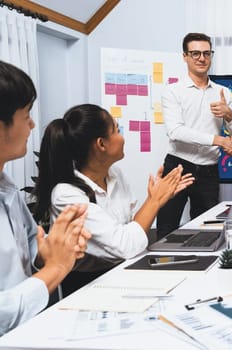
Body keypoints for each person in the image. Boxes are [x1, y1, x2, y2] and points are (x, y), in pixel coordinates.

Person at [33, 104, 193, 294]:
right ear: (101, 144)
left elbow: (128, 230)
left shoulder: (114, 174)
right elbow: (126, 245)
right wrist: (155, 201)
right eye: (117, 130)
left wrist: (155, 197)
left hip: (122, 271)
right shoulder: (67, 194)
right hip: (87, 287)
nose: (122, 137)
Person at [0, 60, 91, 335]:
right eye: (25, 114)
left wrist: (50, 252)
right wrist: (57, 267)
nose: (32, 123)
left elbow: (29, 253)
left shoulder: (8, 188)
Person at [156, 32, 232, 238]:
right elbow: (176, 131)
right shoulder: (173, 91)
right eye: (195, 53)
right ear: (185, 56)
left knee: (209, 231)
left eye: (206, 53)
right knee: (166, 230)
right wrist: (219, 140)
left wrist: (229, 115)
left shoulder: (223, 92)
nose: (202, 58)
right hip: (178, 167)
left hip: (209, 172)